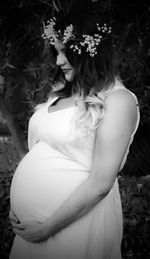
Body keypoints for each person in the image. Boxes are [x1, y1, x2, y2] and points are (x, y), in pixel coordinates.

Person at [9, 1, 140, 259]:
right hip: (31, 231)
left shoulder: (118, 100)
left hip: (75, 226)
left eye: (64, 52)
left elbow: (101, 181)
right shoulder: (61, 92)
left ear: (88, 51)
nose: (58, 61)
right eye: (55, 52)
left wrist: (45, 229)